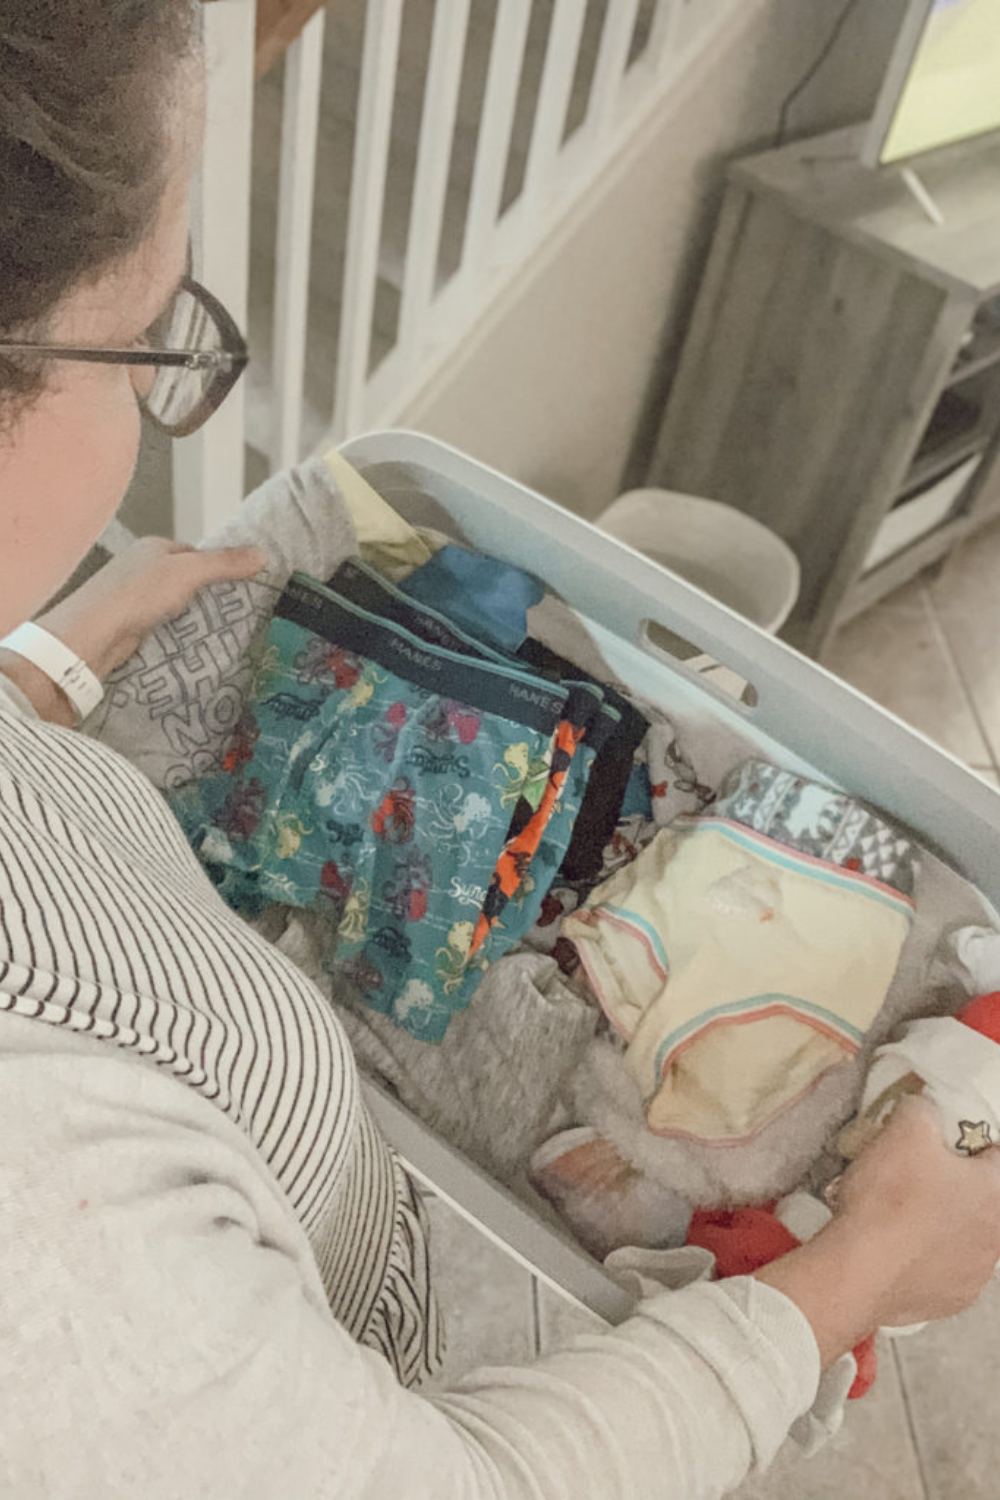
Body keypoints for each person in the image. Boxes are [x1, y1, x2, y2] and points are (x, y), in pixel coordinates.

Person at [2, 4, 999, 1496]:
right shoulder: (52, 1228)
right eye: (158, 333)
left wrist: (47, 672)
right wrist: (857, 1276)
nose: (155, 408)